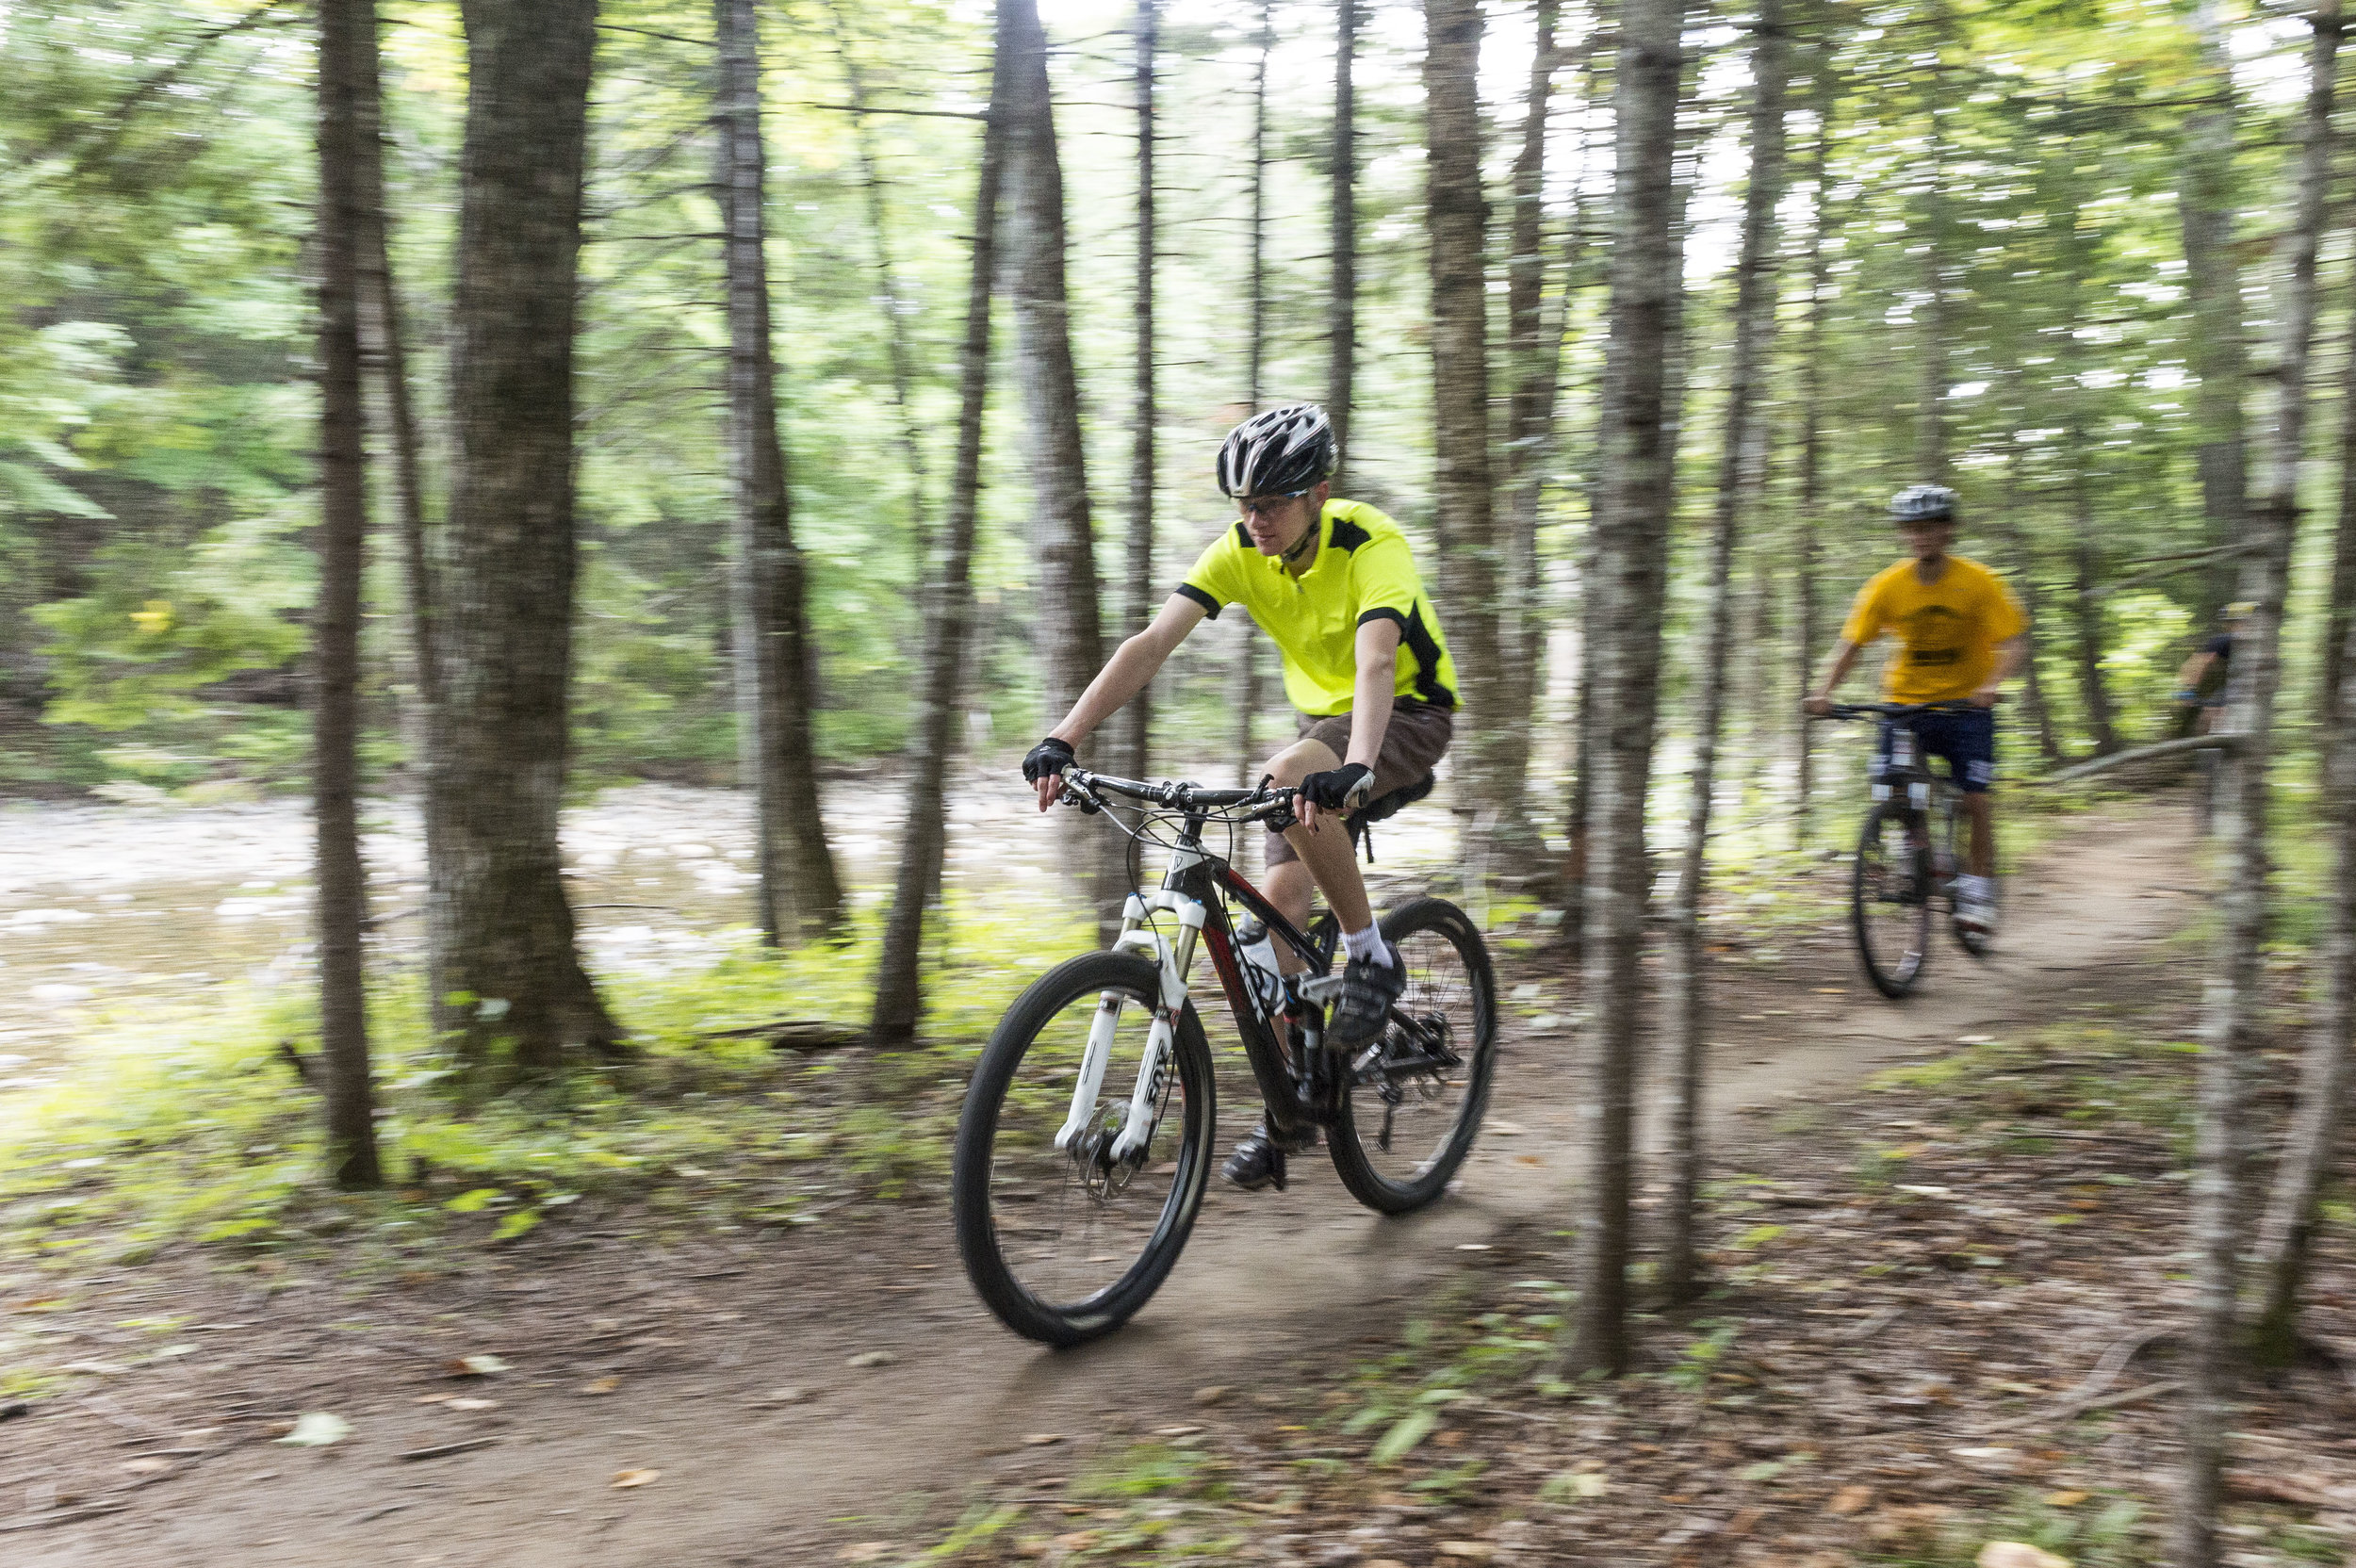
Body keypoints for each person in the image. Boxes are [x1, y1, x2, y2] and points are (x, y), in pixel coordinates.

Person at [1020, 403, 1459, 1191]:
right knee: (1273, 919)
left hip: (1404, 718)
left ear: (1318, 492)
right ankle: (1293, 1107)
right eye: (1245, 506)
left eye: (1272, 504)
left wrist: (1355, 763)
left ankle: (1371, 955)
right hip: (1323, 732)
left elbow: (1378, 666)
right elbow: (1151, 645)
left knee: (1287, 773)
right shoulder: (1239, 551)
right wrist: (1065, 737)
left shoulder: (1370, 541)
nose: (1254, 521)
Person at [1804, 484, 2026, 935]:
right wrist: (1822, 691)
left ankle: (1977, 893)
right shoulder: (1887, 586)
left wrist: (1990, 685)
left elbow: (2013, 642)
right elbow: (1853, 644)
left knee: (1975, 800)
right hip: (1905, 702)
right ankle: (1912, 853)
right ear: (1904, 534)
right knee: (1889, 785)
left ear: (1948, 531)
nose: (1921, 536)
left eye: (1931, 527)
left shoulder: (1978, 582)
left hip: (1966, 706)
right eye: (1912, 529)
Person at [2174, 601, 2252, 734]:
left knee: (2212, 716)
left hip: (2235, 691)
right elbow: (2199, 662)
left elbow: (2197, 663)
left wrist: (2189, 690)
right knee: (2212, 715)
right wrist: (2190, 690)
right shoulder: (2225, 640)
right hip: (2231, 691)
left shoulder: (2225, 640)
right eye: (2242, 623)